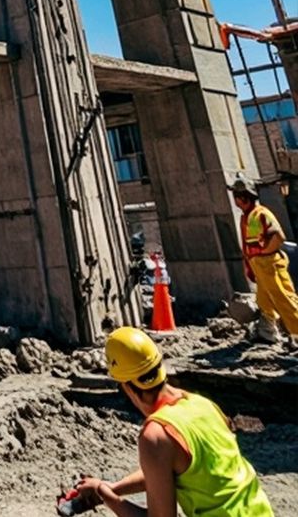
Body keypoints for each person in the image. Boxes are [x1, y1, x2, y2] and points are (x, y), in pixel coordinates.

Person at [73, 326, 274, 516]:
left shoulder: (156, 436)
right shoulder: (202, 404)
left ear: (126, 386)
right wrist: (113, 488)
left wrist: (103, 493)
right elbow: (166, 473)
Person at [230, 174, 298, 344]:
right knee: (264, 300)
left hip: (268, 263)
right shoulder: (248, 216)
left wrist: (263, 254)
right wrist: (251, 264)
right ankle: (267, 331)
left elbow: (278, 236)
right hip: (261, 264)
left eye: (236, 197)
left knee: (283, 299)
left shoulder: (260, 214)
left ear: (241, 198)